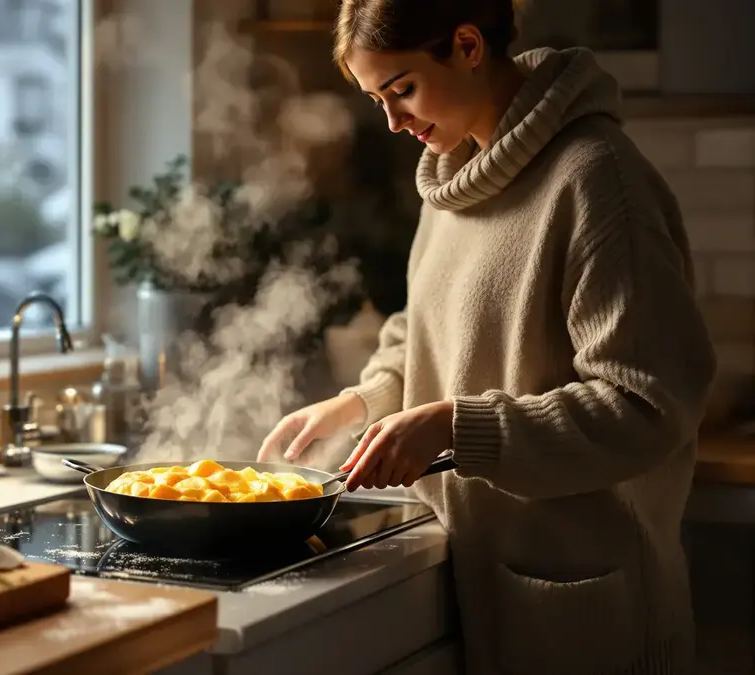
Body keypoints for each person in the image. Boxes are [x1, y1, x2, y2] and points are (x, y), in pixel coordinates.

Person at [256, 1, 717, 673]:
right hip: (478, 573)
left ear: (468, 45)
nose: (393, 121)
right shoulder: (453, 182)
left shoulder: (597, 179)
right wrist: (361, 401)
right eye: (377, 99)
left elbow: (647, 407)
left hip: (585, 611)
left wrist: (455, 427)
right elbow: (428, 325)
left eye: (403, 89)